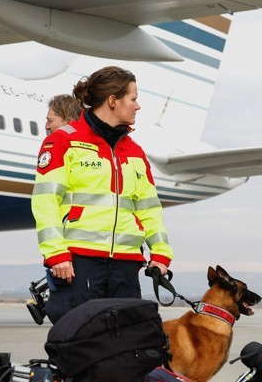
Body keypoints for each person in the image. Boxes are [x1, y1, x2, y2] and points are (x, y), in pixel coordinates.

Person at [32, 66, 172, 324]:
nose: (137, 106)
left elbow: (149, 209)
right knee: (78, 345)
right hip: (78, 264)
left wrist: (161, 254)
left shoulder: (136, 152)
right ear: (113, 101)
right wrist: (56, 254)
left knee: (126, 347)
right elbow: (45, 202)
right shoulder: (63, 141)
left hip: (126, 267)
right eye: (133, 98)